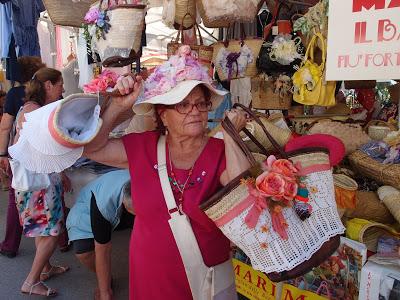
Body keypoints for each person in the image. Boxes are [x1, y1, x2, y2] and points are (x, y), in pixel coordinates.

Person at [83, 46, 250, 299]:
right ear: (163, 114)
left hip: (206, 281)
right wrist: (117, 106)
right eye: (182, 104)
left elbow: (243, 198)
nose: (194, 110)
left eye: (200, 103)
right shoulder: (143, 147)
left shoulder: (220, 150)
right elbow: (92, 148)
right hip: (151, 277)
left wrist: (231, 134)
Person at [13, 67, 70, 297]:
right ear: (48, 86)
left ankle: (46, 268)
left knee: (41, 228)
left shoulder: (26, 108)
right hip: (41, 182)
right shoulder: (39, 112)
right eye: (59, 84)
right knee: (53, 230)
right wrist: (63, 171)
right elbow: (47, 149)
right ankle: (31, 281)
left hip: (28, 181)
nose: (62, 88)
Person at [0, 56, 45, 258]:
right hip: (44, 152)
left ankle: (10, 245)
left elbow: (5, 126)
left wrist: (2, 153)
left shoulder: (14, 94)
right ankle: (61, 240)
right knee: (51, 191)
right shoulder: (46, 91)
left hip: (20, 153)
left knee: (15, 197)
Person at [66, 169, 133, 300]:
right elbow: (103, 249)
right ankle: (106, 280)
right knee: (83, 252)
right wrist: (105, 292)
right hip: (88, 211)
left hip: (129, 204)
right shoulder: (102, 206)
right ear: (124, 203)